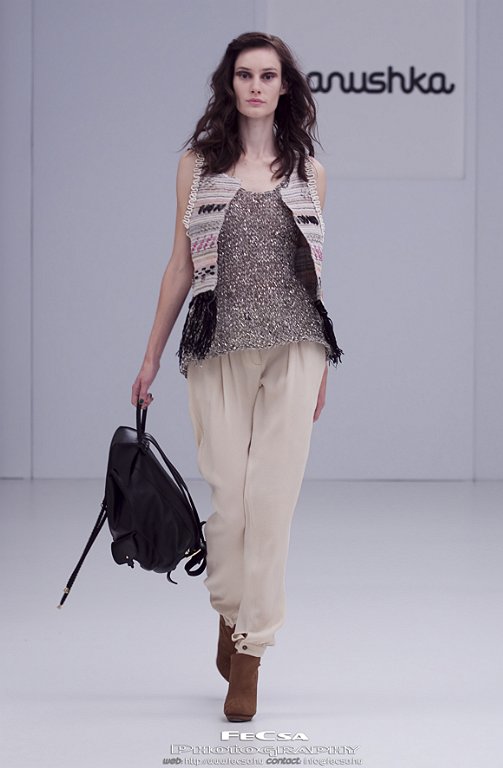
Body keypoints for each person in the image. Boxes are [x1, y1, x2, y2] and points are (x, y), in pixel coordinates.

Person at [131, 31, 342, 722]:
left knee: (273, 502)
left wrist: (324, 358)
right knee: (232, 501)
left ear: (285, 87)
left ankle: (250, 650)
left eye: (268, 75)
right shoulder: (198, 166)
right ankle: (230, 608)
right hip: (216, 344)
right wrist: (151, 354)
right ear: (230, 84)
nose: (256, 85)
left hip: (295, 346)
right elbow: (179, 266)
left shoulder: (310, 172)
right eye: (245, 74)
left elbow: (314, 275)